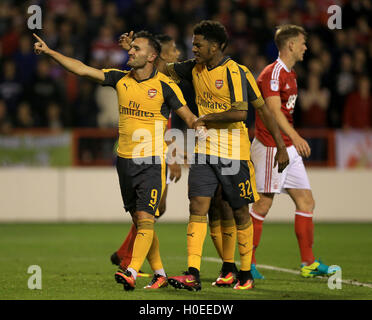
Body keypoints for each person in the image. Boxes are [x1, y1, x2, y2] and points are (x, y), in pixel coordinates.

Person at [33, 30, 202, 291]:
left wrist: (200, 135)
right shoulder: (120, 79)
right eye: (130, 48)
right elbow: (81, 69)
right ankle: (159, 274)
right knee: (140, 221)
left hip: (152, 163)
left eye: (136, 48)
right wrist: (50, 52)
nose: (130, 51)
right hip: (124, 162)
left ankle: (131, 271)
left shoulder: (166, 87)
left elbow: (190, 118)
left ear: (151, 56)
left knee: (147, 218)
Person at [163, 20, 289, 291]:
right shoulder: (193, 68)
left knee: (239, 209)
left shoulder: (236, 72)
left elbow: (243, 113)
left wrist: (280, 145)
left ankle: (245, 274)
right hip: (204, 150)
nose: (194, 48)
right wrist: (148, 52)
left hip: (234, 152)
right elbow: (162, 69)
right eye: (193, 44)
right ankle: (195, 273)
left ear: (216, 46)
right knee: (198, 205)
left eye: (199, 44)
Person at [249, 24, 340, 279]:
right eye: (302, 43)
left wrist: (292, 141)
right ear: (290, 45)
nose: (305, 47)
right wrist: (296, 136)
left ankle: (308, 263)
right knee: (263, 204)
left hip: (287, 148)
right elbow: (273, 111)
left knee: (306, 201)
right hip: (271, 147)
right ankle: (249, 263)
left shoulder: (290, 73)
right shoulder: (273, 73)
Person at [109, 34, 184, 280]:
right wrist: (172, 155)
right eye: (174, 50)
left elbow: (168, 120)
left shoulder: (165, 81)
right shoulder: (157, 74)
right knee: (151, 211)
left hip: (155, 148)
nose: (178, 55)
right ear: (160, 54)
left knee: (151, 212)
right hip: (148, 152)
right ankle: (130, 261)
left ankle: (132, 259)